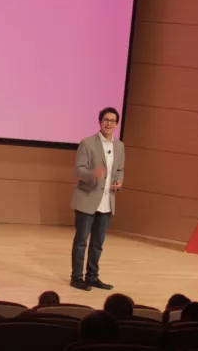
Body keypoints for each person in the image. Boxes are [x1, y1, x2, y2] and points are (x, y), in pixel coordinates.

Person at [70, 107, 125, 291]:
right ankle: (77, 278)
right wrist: (93, 173)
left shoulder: (119, 146)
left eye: (112, 120)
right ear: (100, 122)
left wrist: (119, 180)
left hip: (107, 200)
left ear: (117, 124)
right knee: (81, 242)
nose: (109, 123)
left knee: (98, 243)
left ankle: (92, 276)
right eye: (106, 120)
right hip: (88, 198)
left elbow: (119, 169)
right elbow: (79, 170)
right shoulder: (87, 143)